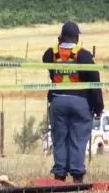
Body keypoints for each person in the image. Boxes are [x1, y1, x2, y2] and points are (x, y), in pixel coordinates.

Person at [42, 21, 104, 183]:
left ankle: (59, 175)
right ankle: (77, 176)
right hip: (80, 101)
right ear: (76, 37)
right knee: (78, 139)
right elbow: (95, 83)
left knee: (59, 138)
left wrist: (59, 44)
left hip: (57, 102)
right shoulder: (84, 55)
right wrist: (98, 107)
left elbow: (50, 68)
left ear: (61, 36)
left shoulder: (51, 54)